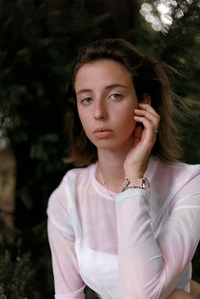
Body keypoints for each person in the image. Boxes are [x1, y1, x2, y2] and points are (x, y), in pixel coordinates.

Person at [47, 38, 200, 299]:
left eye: (115, 95)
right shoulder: (68, 195)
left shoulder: (188, 183)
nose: (98, 112)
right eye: (86, 99)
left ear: (144, 103)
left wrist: (133, 178)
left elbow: (143, 294)